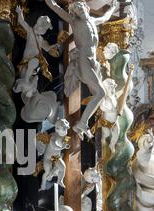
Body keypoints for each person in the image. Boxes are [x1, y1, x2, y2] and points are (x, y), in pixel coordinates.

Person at [45, 0, 118, 140]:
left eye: (81, 7)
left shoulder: (92, 20)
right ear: (75, 13)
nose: (80, 9)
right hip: (84, 58)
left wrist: (113, 7)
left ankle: (83, 122)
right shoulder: (74, 21)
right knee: (100, 92)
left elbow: (105, 18)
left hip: (93, 60)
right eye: (77, 9)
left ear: (86, 8)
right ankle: (82, 123)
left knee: (99, 93)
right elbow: (55, 8)